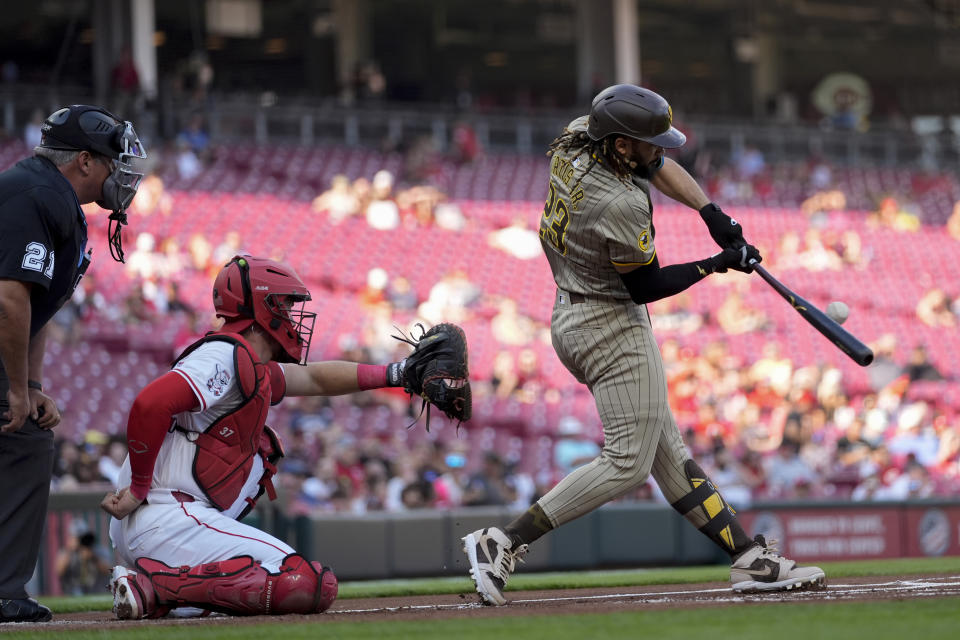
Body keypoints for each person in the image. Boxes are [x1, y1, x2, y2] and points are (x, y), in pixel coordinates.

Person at [461, 84, 824, 606]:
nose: (662, 151)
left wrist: (710, 212)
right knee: (628, 460)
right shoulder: (618, 202)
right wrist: (716, 264)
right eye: (650, 143)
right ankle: (504, 542)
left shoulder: (579, 137)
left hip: (574, 308)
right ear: (623, 145)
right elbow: (647, 286)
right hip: (611, 323)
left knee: (665, 453)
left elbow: (651, 165)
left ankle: (748, 558)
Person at [101, 255, 422, 620]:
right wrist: (139, 487)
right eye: (285, 305)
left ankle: (157, 589)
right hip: (167, 516)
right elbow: (149, 403)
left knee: (262, 458)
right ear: (263, 307)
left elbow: (316, 379)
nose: (291, 315)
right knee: (305, 581)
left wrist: (400, 373)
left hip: (164, 524)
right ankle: (158, 590)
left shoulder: (248, 363)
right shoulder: (225, 353)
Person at [0, 104, 146, 623]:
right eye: (112, 161)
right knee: (18, 432)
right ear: (84, 161)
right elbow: (9, 299)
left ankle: (4, 588)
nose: (121, 173)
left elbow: (35, 308)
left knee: (28, 435)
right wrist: (17, 387)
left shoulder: (58, 201)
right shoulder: (37, 194)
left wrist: (31, 385)